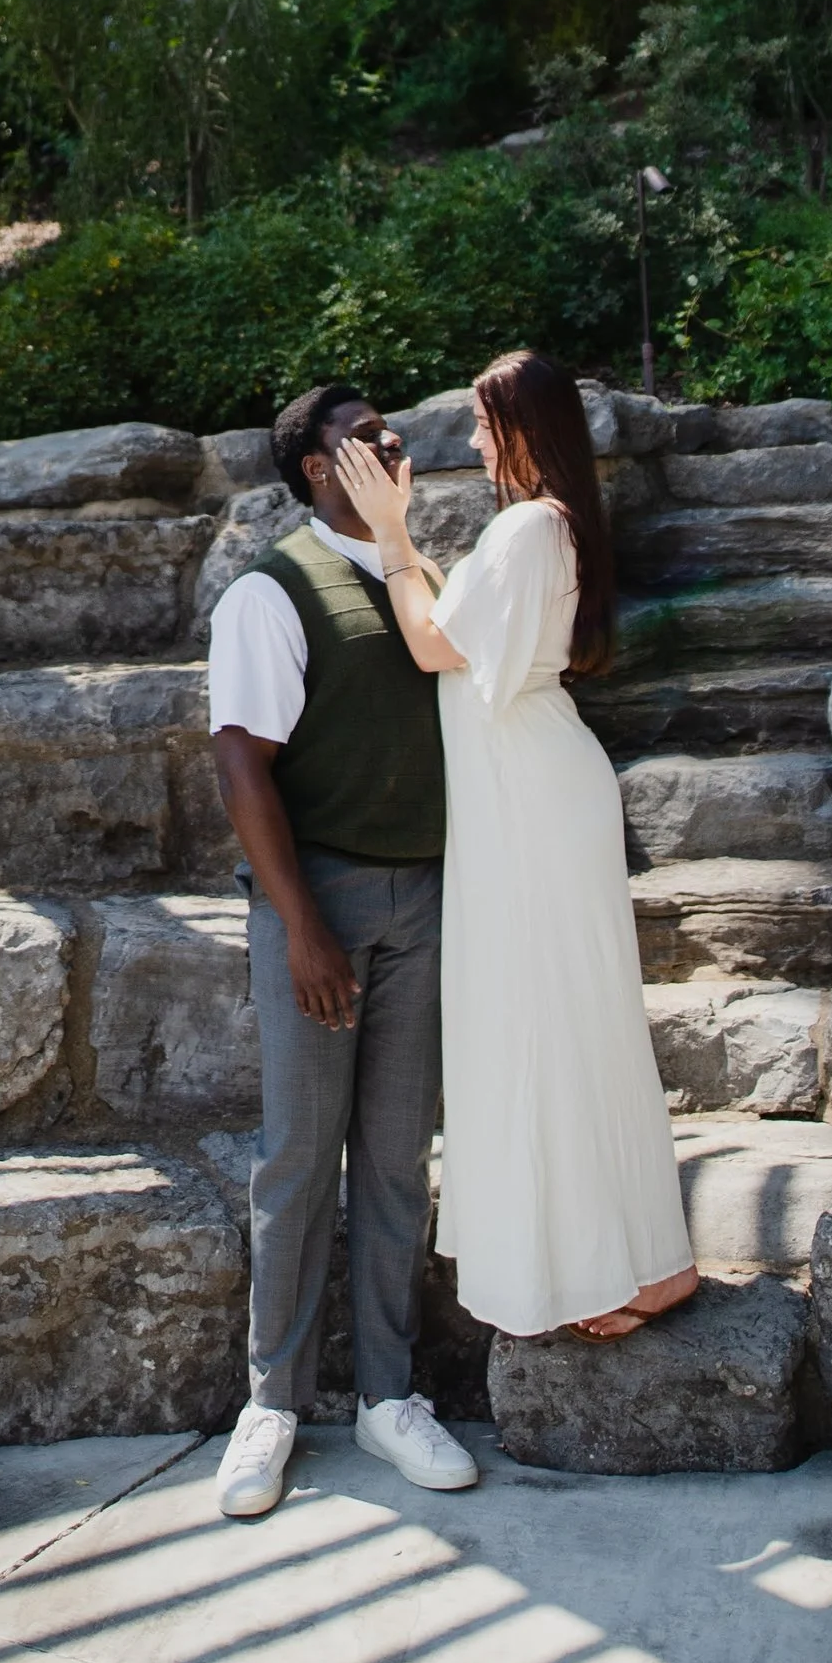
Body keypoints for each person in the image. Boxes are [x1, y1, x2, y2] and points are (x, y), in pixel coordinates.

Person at [336, 351, 698, 1344]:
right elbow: (464, 625)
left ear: (526, 429)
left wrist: (393, 534)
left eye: (489, 424)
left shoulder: (530, 526)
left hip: (530, 796)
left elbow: (431, 644)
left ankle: (595, 1270)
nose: (477, 441)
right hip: (531, 783)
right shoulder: (550, 528)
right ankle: (636, 1261)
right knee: (571, 1015)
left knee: (545, 1019)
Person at [206, 377, 481, 1522]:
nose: (392, 444)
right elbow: (239, 764)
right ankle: (270, 1402)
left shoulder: (424, 575)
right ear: (317, 469)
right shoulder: (274, 592)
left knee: (395, 1158)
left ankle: (386, 1396)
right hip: (316, 905)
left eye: (391, 432)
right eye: (365, 438)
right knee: (297, 1157)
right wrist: (304, 926)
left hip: (428, 902)